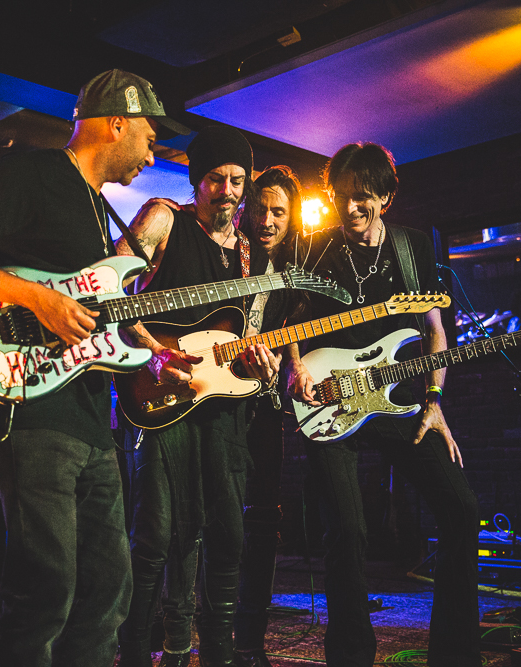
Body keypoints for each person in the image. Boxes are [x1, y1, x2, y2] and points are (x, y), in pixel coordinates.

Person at [0, 69, 189, 667]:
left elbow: (96, 311)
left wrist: (154, 351)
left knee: (110, 588)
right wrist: (37, 298)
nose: (152, 151)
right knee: (45, 589)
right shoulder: (37, 174)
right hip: (33, 412)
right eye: (149, 135)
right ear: (117, 122)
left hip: (91, 421)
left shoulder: (98, 209)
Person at [285, 143, 480, 667]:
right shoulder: (313, 249)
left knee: (462, 510)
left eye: (362, 198)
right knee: (346, 531)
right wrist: (296, 366)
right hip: (331, 406)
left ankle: (456, 654)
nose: (350, 209)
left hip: (399, 403)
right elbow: (290, 322)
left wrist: (435, 400)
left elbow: (435, 331)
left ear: (387, 198)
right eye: (341, 197)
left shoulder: (416, 249)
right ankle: (350, 658)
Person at [116, 125, 280, 667]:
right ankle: (137, 653)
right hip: (160, 397)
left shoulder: (253, 259)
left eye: (237, 181)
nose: (228, 192)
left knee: (229, 533)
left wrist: (266, 363)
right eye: (216, 179)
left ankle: (219, 655)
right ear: (196, 180)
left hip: (224, 407)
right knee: (157, 534)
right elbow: (108, 287)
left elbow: (251, 335)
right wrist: (152, 353)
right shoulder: (164, 218)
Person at [233, 166, 305, 667]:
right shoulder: (230, 256)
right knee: (211, 518)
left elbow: (298, 333)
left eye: (278, 211)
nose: (267, 219)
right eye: (260, 208)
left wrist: (287, 363)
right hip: (218, 400)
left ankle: (250, 644)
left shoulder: (298, 270)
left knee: (262, 523)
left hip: (265, 407)